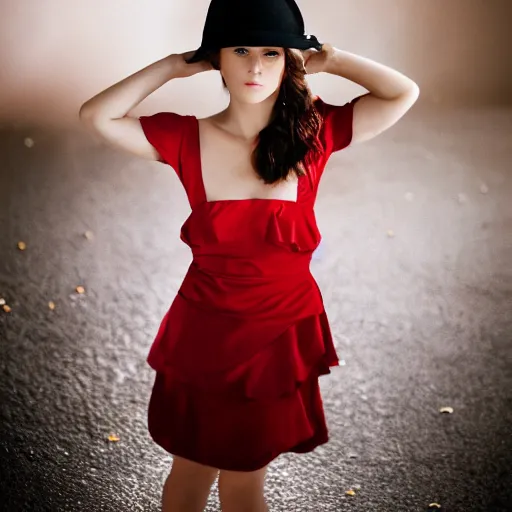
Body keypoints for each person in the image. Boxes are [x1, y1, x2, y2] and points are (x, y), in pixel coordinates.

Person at [79, 0, 419, 510]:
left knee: (245, 481)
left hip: (276, 338)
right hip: (205, 336)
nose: (256, 67)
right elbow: (96, 115)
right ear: (218, 58)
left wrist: (332, 58)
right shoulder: (186, 136)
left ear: (290, 61)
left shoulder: (314, 134)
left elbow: (402, 93)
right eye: (240, 51)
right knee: (189, 474)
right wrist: (174, 65)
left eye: (271, 53)